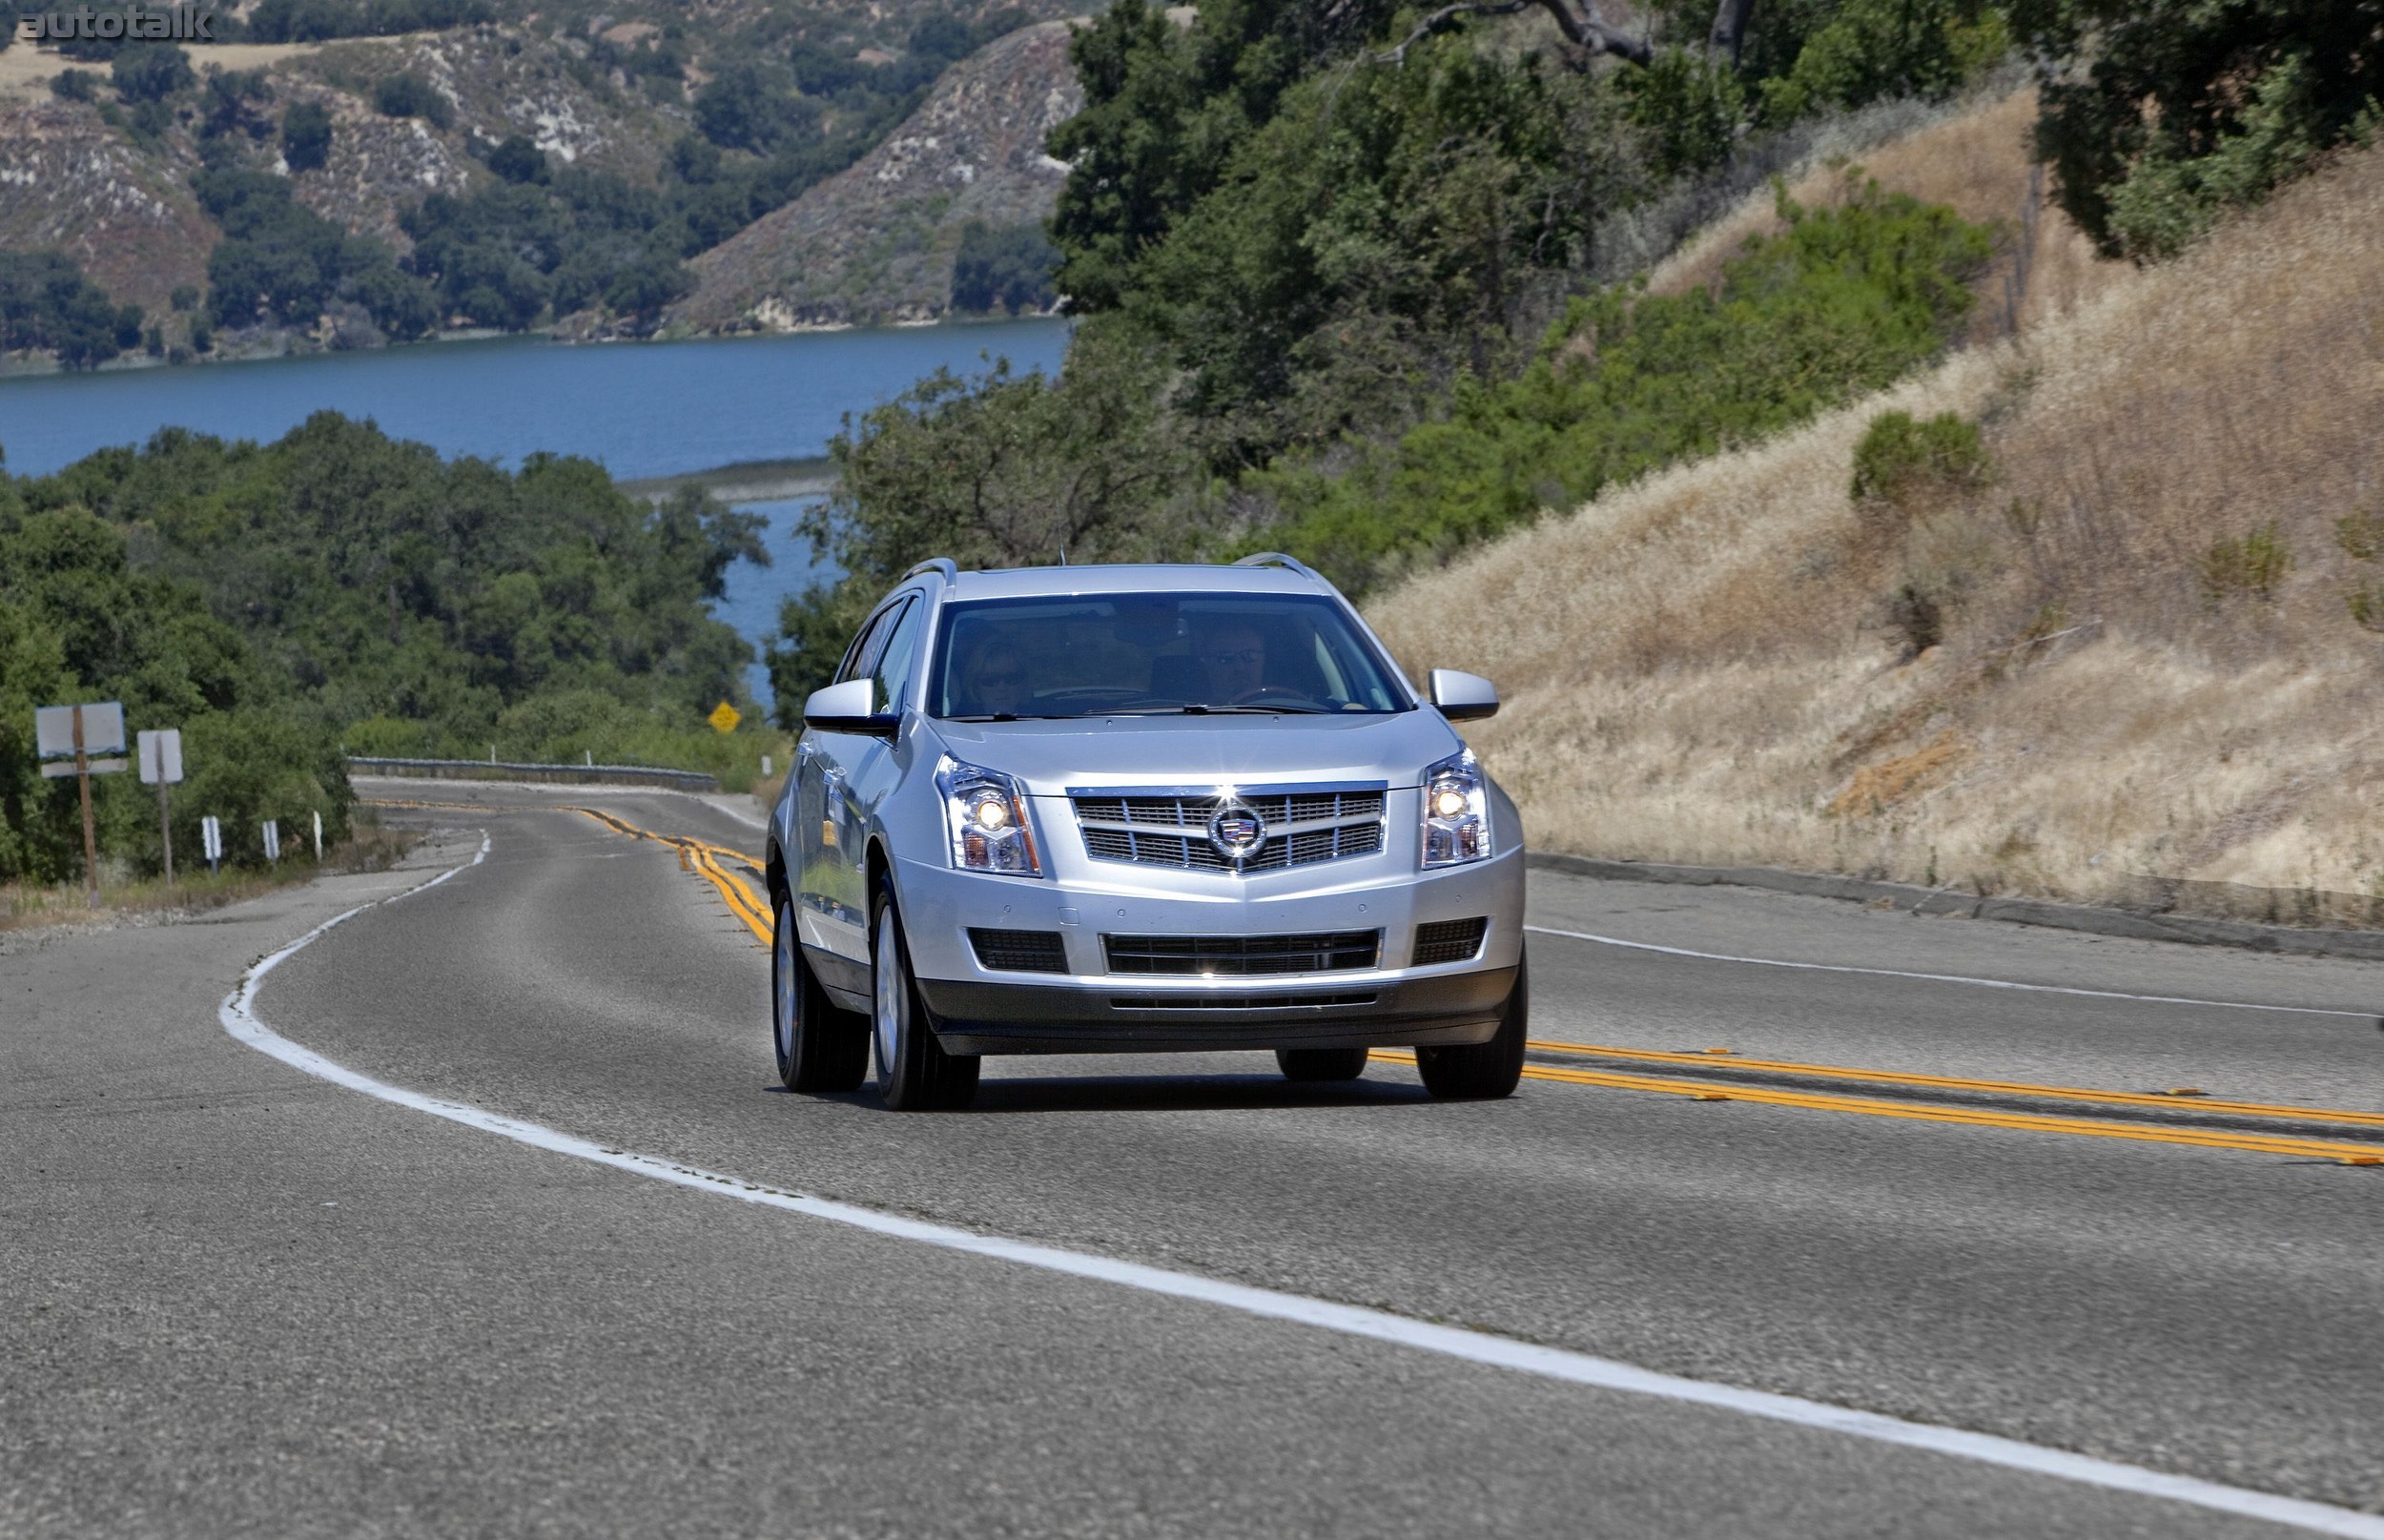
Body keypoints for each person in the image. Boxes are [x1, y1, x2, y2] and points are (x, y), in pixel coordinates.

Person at [1195, 619, 1267, 704]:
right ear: (1207, 662)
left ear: (1263, 659)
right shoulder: (1188, 707)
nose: (1240, 667)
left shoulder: (1280, 705)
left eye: (1249, 655)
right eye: (1226, 657)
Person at [956, 638, 1031, 716]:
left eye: (1012, 678)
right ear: (975, 686)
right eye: (990, 680)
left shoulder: (1039, 722)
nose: (1002, 687)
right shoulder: (956, 722)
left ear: (1025, 683)